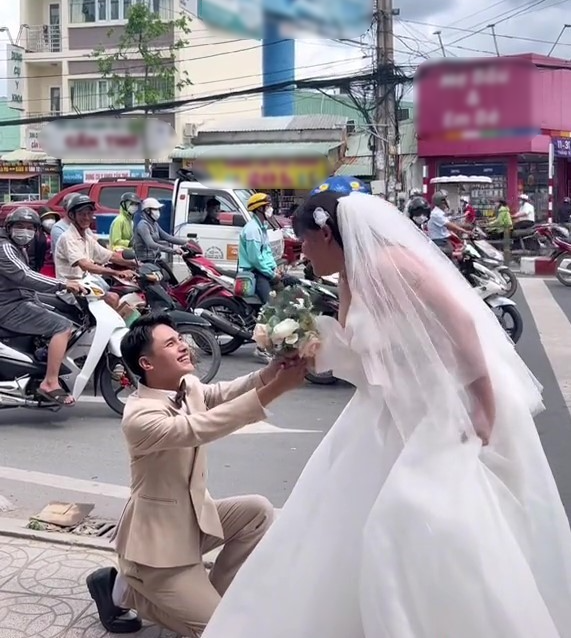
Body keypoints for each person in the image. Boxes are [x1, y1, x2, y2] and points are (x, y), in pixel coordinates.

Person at [200, 178, 571, 638]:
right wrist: (311, 346)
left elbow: (463, 326)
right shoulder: (351, 274)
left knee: (406, 519)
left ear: (327, 235)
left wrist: (483, 403)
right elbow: (363, 354)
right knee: (335, 526)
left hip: (436, 412)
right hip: (382, 413)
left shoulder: (394, 264)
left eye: (307, 244)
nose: (304, 254)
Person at [86, 314, 307, 635]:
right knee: (223, 631)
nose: (183, 346)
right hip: (156, 551)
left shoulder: (186, 385)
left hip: (192, 522)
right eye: (171, 343)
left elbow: (217, 395)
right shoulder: (139, 416)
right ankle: (127, 589)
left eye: (180, 339)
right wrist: (273, 391)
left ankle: (207, 596)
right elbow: (199, 427)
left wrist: (272, 372)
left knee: (257, 511)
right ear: (146, 363)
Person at [0, 207, 85, 406]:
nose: (25, 231)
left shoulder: (18, 247)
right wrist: (61, 285)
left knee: (63, 315)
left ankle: (42, 361)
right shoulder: (4, 247)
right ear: (9, 227)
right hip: (7, 306)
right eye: (20, 226)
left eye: (30, 227)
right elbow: (24, 276)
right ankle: (50, 382)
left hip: (18, 299)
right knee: (63, 326)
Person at [54, 194, 136, 309]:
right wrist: (116, 273)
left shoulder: (86, 236)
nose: (87, 217)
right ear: (72, 216)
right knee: (112, 298)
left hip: (88, 282)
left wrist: (134, 263)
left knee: (122, 292)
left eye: (89, 213)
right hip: (72, 287)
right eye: (82, 214)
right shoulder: (68, 237)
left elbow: (110, 256)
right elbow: (85, 265)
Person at [238, 193, 278, 304]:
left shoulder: (262, 227)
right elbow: (255, 259)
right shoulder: (252, 229)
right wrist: (272, 275)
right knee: (271, 305)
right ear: (260, 208)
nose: (271, 209)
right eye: (268, 206)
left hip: (264, 271)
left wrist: (274, 268)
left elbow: (267, 251)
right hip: (255, 273)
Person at [132, 198, 188, 277]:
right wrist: (173, 251)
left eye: (158, 209)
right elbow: (151, 244)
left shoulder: (154, 224)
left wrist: (187, 242)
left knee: (171, 279)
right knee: (162, 283)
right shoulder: (143, 225)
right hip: (146, 261)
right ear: (147, 211)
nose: (158, 212)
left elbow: (167, 237)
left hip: (155, 259)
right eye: (155, 209)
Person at [426, 190, 469, 258]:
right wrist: (466, 231)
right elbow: (450, 225)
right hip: (440, 242)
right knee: (455, 260)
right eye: (446, 199)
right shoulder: (436, 214)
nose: (448, 201)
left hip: (444, 241)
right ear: (442, 202)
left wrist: (465, 227)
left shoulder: (440, 213)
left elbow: (451, 222)